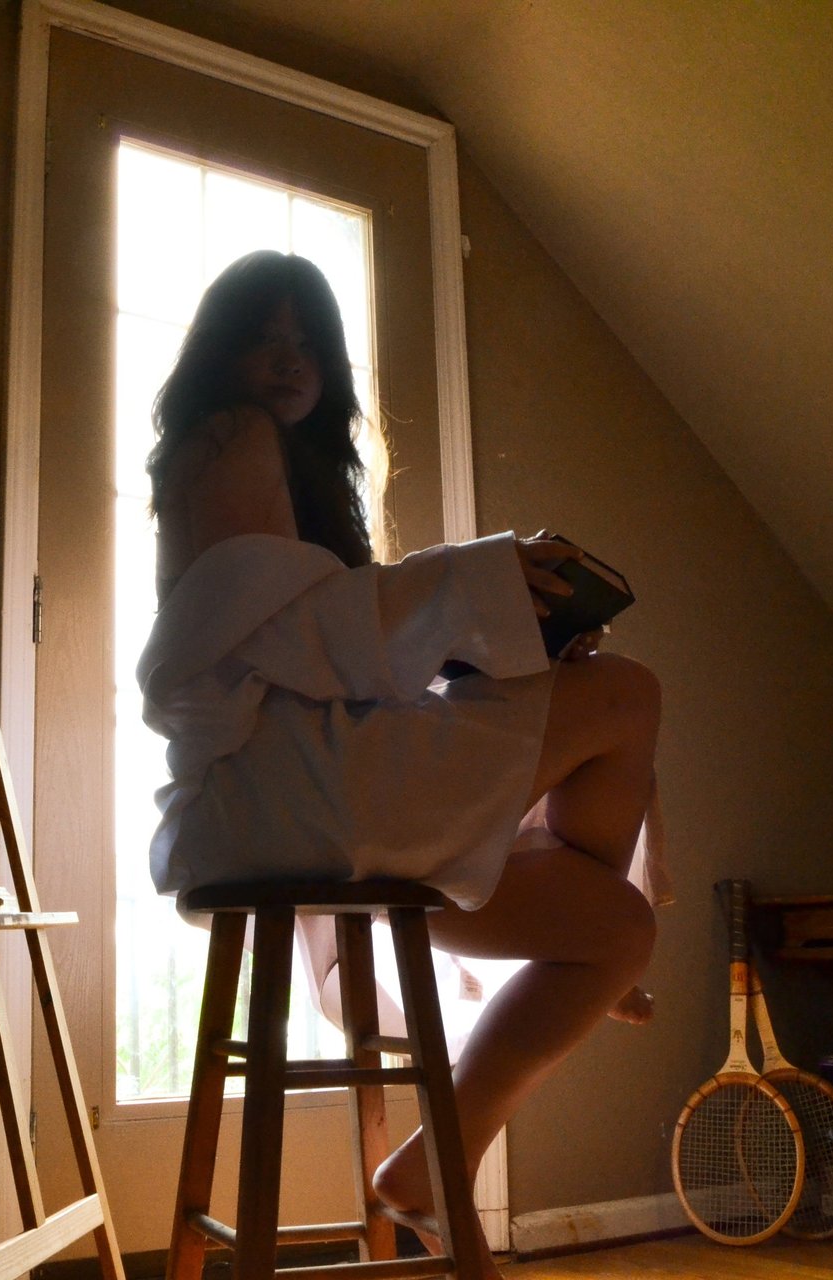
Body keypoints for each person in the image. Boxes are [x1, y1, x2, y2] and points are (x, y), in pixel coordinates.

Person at [136, 250, 663, 1264]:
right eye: (266, 336)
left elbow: (332, 650)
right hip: (291, 787)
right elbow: (290, 632)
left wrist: (508, 639)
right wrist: (488, 583)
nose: (290, 360)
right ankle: (564, 865)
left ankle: (428, 1162)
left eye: (309, 342)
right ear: (222, 352)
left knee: (616, 929)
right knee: (628, 697)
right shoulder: (230, 435)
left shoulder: (284, 468)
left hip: (307, 785)